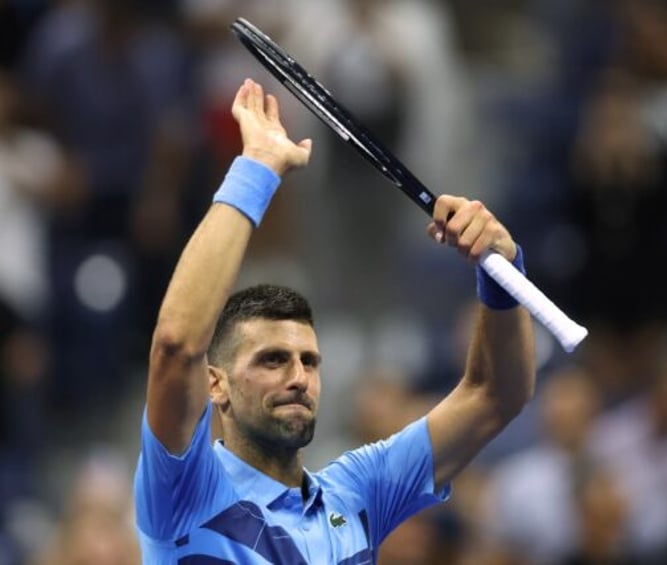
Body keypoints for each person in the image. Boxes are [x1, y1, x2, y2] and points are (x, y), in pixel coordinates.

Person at [133, 78, 535, 563]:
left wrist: (502, 270)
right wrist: (255, 170)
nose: (299, 377)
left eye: (310, 361)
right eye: (273, 360)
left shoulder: (358, 494)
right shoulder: (184, 492)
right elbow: (176, 346)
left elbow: (496, 394)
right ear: (216, 385)